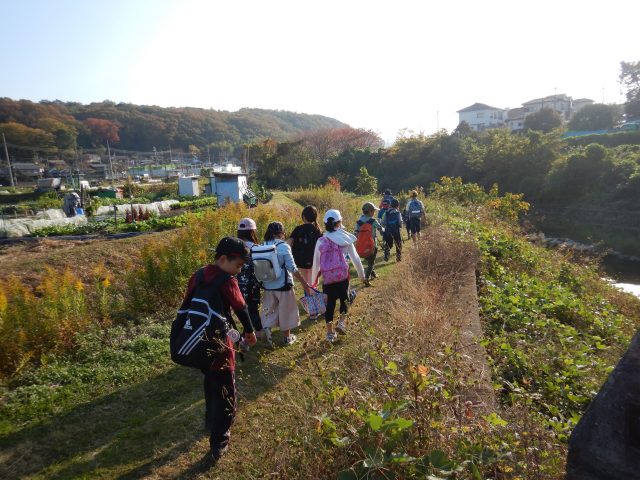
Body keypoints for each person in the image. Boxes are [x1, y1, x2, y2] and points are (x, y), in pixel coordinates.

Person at [177, 236, 257, 462]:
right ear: (223, 259)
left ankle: (210, 419)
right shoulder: (226, 279)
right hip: (221, 344)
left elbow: (188, 303)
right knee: (226, 389)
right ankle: (219, 439)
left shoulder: (199, 274)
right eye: (238, 265)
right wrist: (249, 332)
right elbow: (241, 307)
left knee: (210, 379)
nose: (239, 271)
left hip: (199, 341)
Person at [311, 209, 367, 343]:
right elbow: (356, 259)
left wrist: (314, 281)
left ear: (325, 223)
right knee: (344, 300)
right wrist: (362, 275)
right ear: (339, 222)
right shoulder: (345, 238)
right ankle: (341, 323)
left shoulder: (321, 240)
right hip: (343, 277)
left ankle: (329, 333)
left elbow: (316, 262)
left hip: (328, 279)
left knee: (330, 305)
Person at [261, 221, 312, 346]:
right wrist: (304, 283)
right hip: (283, 285)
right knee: (287, 311)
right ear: (282, 233)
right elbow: (292, 268)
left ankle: (267, 331)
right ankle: (287, 338)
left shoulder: (263, 245)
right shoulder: (283, 246)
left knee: (269, 310)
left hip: (268, 285)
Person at [288, 205, 322, 318]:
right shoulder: (318, 230)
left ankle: (312, 311)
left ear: (303, 217)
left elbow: (288, 243)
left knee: (306, 285)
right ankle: (317, 308)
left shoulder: (298, 229)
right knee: (313, 284)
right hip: (314, 262)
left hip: (300, 262)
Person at [236, 218, 264, 346]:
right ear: (252, 232)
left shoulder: (235, 245)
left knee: (243, 309)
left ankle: (257, 331)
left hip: (236, 284)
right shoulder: (256, 248)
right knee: (252, 309)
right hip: (252, 284)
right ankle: (247, 338)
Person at [354, 201, 384, 281]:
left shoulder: (358, 222)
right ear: (370, 211)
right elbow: (380, 228)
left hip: (361, 246)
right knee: (371, 263)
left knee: (369, 261)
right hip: (372, 246)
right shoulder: (373, 221)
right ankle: (366, 278)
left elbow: (355, 233)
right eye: (373, 211)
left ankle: (373, 274)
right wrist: (383, 230)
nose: (374, 212)